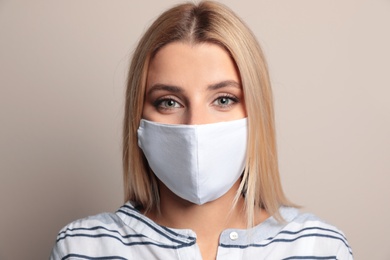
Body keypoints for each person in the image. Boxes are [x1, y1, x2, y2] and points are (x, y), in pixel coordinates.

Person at [50, 1, 353, 259]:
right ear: (138, 121)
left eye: (223, 99)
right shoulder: (84, 247)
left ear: (257, 114)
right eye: (169, 102)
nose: (195, 126)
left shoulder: (319, 247)